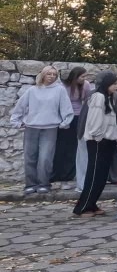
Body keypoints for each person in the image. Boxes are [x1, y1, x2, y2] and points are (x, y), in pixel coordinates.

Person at [10, 65, 73, 195]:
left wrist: (64, 122)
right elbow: (20, 106)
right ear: (43, 75)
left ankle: (44, 183)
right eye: (49, 74)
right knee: (30, 157)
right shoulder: (32, 90)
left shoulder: (59, 90)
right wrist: (16, 122)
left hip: (50, 129)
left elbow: (66, 108)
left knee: (45, 158)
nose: (52, 76)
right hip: (31, 128)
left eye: (54, 74)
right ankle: (30, 184)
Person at [73, 71, 117, 216]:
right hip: (98, 141)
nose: (116, 86)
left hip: (107, 140)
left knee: (101, 176)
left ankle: (92, 204)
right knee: (94, 175)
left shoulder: (109, 97)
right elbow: (94, 120)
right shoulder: (98, 97)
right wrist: (98, 137)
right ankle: (83, 207)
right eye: (114, 83)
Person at [51, 67, 90, 190]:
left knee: (73, 147)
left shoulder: (86, 85)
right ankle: (55, 175)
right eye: (82, 76)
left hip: (78, 117)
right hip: (64, 117)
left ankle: (67, 176)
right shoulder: (63, 86)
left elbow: (87, 101)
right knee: (61, 147)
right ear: (75, 76)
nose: (84, 79)